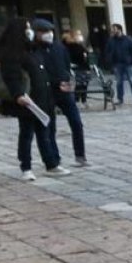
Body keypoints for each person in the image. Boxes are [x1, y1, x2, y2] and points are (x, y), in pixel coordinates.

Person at [0, 18, 69, 180]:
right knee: (27, 133)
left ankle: (51, 163)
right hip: (28, 99)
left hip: (44, 97)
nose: (30, 31)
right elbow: (11, 76)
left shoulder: (32, 48)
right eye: (27, 28)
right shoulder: (11, 52)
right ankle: (26, 167)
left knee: (45, 132)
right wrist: (18, 94)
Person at [33, 19, 88, 167]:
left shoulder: (59, 47)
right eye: (44, 32)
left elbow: (65, 66)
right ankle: (54, 158)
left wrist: (68, 81)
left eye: (50, 31)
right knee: (50, 127)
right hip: (47, 92)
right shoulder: (34, 50)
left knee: (76, 123)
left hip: (64, 91)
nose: (48, 35)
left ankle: (80, 155)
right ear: (36, 33)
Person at [103, 23, 132, 105]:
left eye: (114, 29)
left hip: (128, 64)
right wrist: (110, 60)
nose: (112, 31)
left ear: (119, 29)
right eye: (112, 29)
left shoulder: (128, 39)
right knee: (119, 82)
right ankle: (120, 99)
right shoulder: (111, 40)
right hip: (117, 64)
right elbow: (107, 51)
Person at [63, 30, 90, 104]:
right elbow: (77, 56)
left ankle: (83, 99)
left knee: (84, 83)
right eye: (78, 35)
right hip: (78, 67)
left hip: (83, 66)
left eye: (80, 34)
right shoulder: (72, 46)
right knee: (79, 84)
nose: (80, 36)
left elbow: (85, 54)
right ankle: (78, 99)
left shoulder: (80, 45)